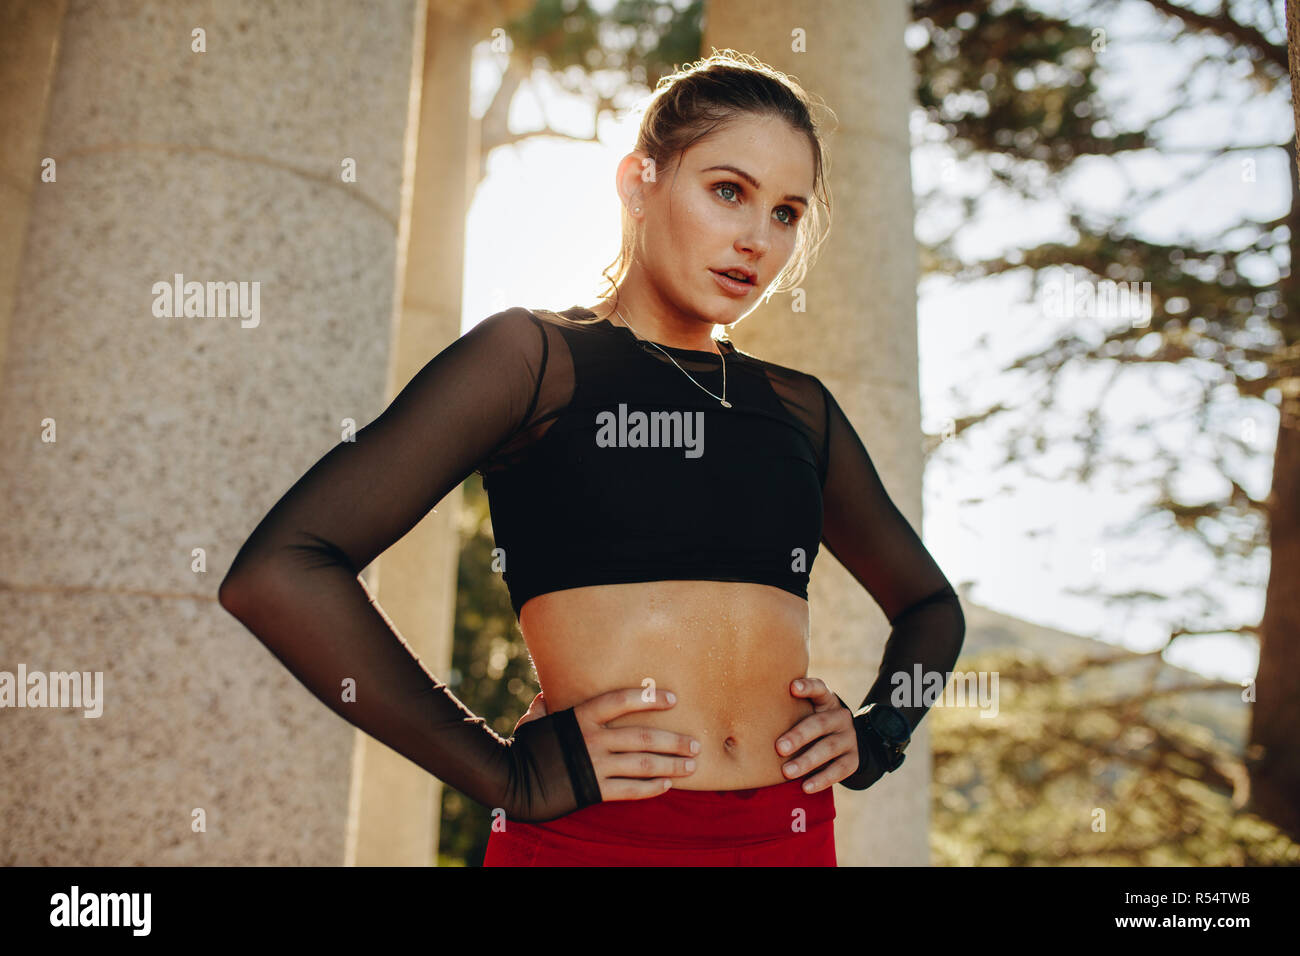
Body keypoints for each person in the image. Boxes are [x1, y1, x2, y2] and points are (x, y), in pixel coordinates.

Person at [218, 49, 965, 867]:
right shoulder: (533, 360)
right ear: (639, 182)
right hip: (595, 838)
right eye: (728, 191)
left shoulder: (797, 407)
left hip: (786, 837)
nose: (757, 238)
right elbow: (281, 571)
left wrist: (879, 732)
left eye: (786, 213)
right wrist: (500, 772)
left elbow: (931, 607)